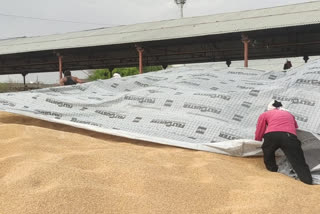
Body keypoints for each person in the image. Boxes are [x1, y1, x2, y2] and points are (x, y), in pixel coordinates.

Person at [255, 100, 312, 185]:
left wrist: (257, 139)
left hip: (271, 135)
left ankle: (272, 172)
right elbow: (296, 127)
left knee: (268, 153)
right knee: (298, 160)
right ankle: (307, 181)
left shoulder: (265, 114)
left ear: (269, 107)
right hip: (289, 136)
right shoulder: (289, 114)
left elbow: (260, 128)